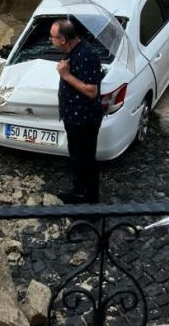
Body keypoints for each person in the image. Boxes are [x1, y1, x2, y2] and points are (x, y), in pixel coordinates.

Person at [53, 18, 103, 203]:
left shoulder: (86, 55)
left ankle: (91, 202)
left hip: (84, 119)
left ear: (63, 39)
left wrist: (65, 75)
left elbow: (91, 91)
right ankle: (78, 190)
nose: (50, 40)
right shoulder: (72, 52)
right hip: (73, 117)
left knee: (86, 160)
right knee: (77, 157)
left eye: (52, 37)